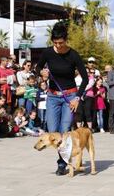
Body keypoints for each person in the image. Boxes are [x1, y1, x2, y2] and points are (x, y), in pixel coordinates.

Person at [36, 21, 88, 176]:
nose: (58, 46)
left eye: (61, 42)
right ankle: (64, 159)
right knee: (52, 131)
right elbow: (37, 67)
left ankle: (62, 163)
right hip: (52, 96)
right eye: (55, 42)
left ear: (66, 40)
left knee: (64, 131)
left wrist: (77, 98)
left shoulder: (73, 54)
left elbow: (85, 78)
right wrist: (41, 73)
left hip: (70, 97)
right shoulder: (47, 53)